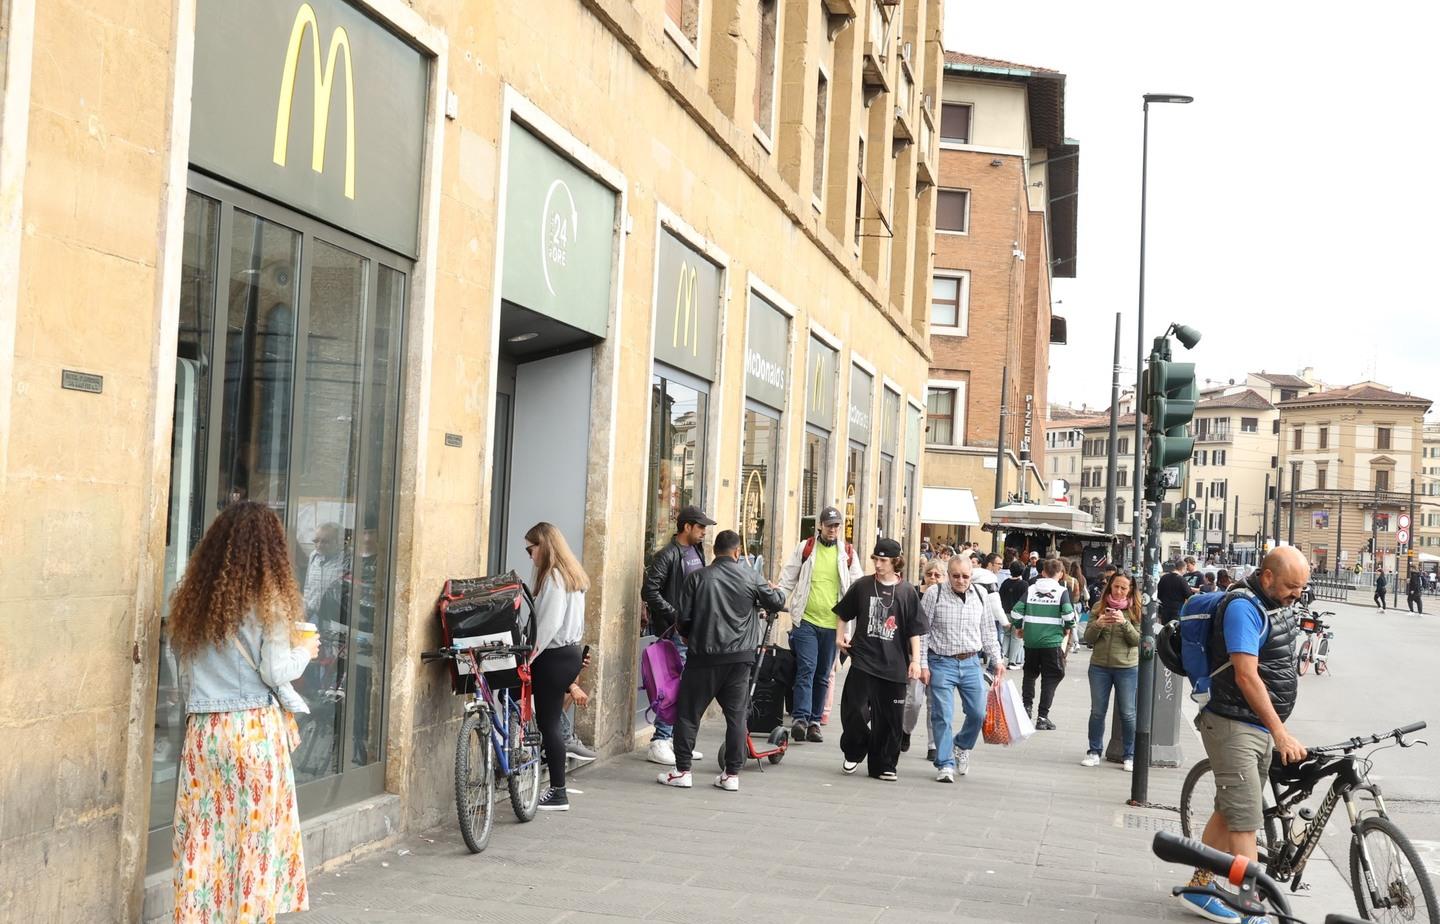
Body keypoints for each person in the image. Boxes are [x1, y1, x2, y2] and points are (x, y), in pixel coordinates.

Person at [168, 501, 318, 923]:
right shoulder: (268, 599)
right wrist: (304, 652)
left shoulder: (196, 600)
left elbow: (180, 670)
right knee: (255, 840)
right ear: (271, 547)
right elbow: (274, 671)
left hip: (204, 734)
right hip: (253, 732)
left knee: (204, 838)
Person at [1175, 547, 1309, 924]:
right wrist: (1280, 733)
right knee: (1245, 820)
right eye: (1290, 586)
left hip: (1253, 725)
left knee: (1229, 808)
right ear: (1266, 576)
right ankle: (1251, 909)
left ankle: (1199, 888)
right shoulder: (1243, 608)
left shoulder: (1271, 602)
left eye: (1301, 586)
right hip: (1233, 725)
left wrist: (1274, 728)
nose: (1296, 593)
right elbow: (1246, 676)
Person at [657, 530, 786, 791]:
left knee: (689, 714)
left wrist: (688, 636)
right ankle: (732, 775)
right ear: (737, 552)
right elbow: (777, 601)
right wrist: (774, 590)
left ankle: (682, 770)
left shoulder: (697, 578)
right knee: (737, 717)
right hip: (739, 660)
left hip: (703, 657)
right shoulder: (751, 576)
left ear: (715, 551)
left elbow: (682, 619)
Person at [833, 539, 925, 781]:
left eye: (883, 560)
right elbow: (843, 613)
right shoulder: (863, 585)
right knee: (853, 711)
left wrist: (916, 661)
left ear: (896, 562)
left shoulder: (907, 592)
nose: (878, 564)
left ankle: (884, 765)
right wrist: (839, 637)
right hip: (863, 660)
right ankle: (855, 749)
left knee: (890, 720)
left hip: (894, 665)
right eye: (875, 558)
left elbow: (914, 630)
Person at [776, 506, 863, 745]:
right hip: (806, 620)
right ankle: (800, 719)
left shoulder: (847, 553)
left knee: (824, 674)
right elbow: (788, 579)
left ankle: (815, 721)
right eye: (829, 525)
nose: (833, 530)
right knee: (807, 668)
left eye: (837, 526)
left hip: (834, 625)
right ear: (820, 526)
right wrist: (776, 602)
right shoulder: (806, 548)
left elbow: (858, 587)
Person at [641, 505, 715, 764]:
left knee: (688, 686)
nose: (705, 532)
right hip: (675, 633)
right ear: (686, 527)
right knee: (672, 686)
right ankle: (660, 740)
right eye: (701, 527)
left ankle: (676, 740)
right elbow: (649, 591)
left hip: (694, 631)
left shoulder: (696, 551)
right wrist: (675, 616)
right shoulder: (668, 555)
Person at [920, 556, 1004, 782]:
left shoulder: (980, 595)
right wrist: (922, 664)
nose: (960, 580)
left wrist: (997, 660)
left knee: (978, 713)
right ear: (948, 574)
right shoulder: (934, 594)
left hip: (971, 662)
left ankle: (961, 745)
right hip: (941, 661)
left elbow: (988, 631)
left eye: (965, 576)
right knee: (942, 715)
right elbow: (922, 632)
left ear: (971, 575)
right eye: (955, 576)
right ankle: (945, 763)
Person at [523, 522, 589, 812]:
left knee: (548, 723)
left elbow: (547, 624)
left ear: (544, 545)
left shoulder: (553, 578)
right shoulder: (573, 576)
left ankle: (558, 791)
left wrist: (529, 656)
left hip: (553, 654)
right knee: (550, 720)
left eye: (531, 548)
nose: (529, 554)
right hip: (569, 652)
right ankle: (549, 771)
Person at [1080, 571, 1142, 772]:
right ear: (1110, 586)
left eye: (1124, 588)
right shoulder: (1099, 607)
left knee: (1128, 713)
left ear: (1130, 589)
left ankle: (1130, 755)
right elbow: (1088, 639)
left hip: (1126, 668)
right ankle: (1094, 751)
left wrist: (1124, 624)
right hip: (1099, 667)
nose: (1119, 591)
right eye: (1116, 586)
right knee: (1097, 711)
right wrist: (1098, 624)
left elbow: (1137, 641)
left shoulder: (1136, 610)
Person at [1010, 558, 1077, 730]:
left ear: (1043, 572)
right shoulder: (1061, 591)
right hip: (1051, 642)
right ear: (1061, 573)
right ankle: (1042, 716)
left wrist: (1019, 628)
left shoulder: (1031, 589)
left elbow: (1016, 612)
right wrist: (1067, 629)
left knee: (1030, 674)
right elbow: (1069, 616)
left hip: (1031, 641)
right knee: (1052, 676)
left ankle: (1026, 708)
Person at [902, 561, 946, 756]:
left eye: (938, 575)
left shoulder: (947, 597)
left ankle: (933, 745)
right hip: (915, 655)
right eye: (930, 574)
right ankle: (905, 730)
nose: (933, 578)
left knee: (934, 703)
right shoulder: (913, 594)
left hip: (938, 657)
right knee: (913, 701)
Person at [999, 561, 1029, 669]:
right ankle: (1012, 662)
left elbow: (1000, 598)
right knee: (1016, 637)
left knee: (1006, 635)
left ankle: (1001, 657)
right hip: (1018, 615)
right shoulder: (1024, 584)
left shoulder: (1005, 583)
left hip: (1005, 613)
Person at [1158, 559, 1194, 625]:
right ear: (1182, 568)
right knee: (1174, 629)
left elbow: (1159, 594)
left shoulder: (1164, 577)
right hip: (1177, 609)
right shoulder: (1182, 580)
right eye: (1185, 569)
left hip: (1165, 608)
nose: (1186, 571)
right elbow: (1189, 595)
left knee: (1164, 629)